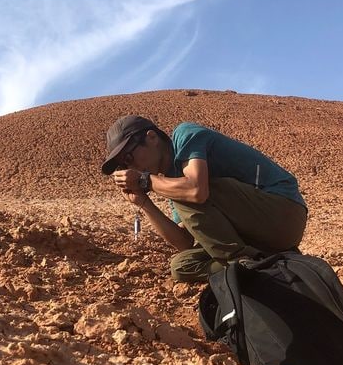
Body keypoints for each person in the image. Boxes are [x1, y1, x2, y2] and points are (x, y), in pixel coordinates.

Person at [101, 115, 308, 282]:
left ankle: (246, 265)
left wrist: (146, 181)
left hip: (283, 212)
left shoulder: (185, 135)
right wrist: (145, 203)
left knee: (189, 192)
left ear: (152, 138)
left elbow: (196, 191)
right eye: (123, 166)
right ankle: (263, 260)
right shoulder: (172, 182)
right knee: (181, 266)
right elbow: (184, 241)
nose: (131, 168)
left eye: (129, 158)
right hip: (258, 234)